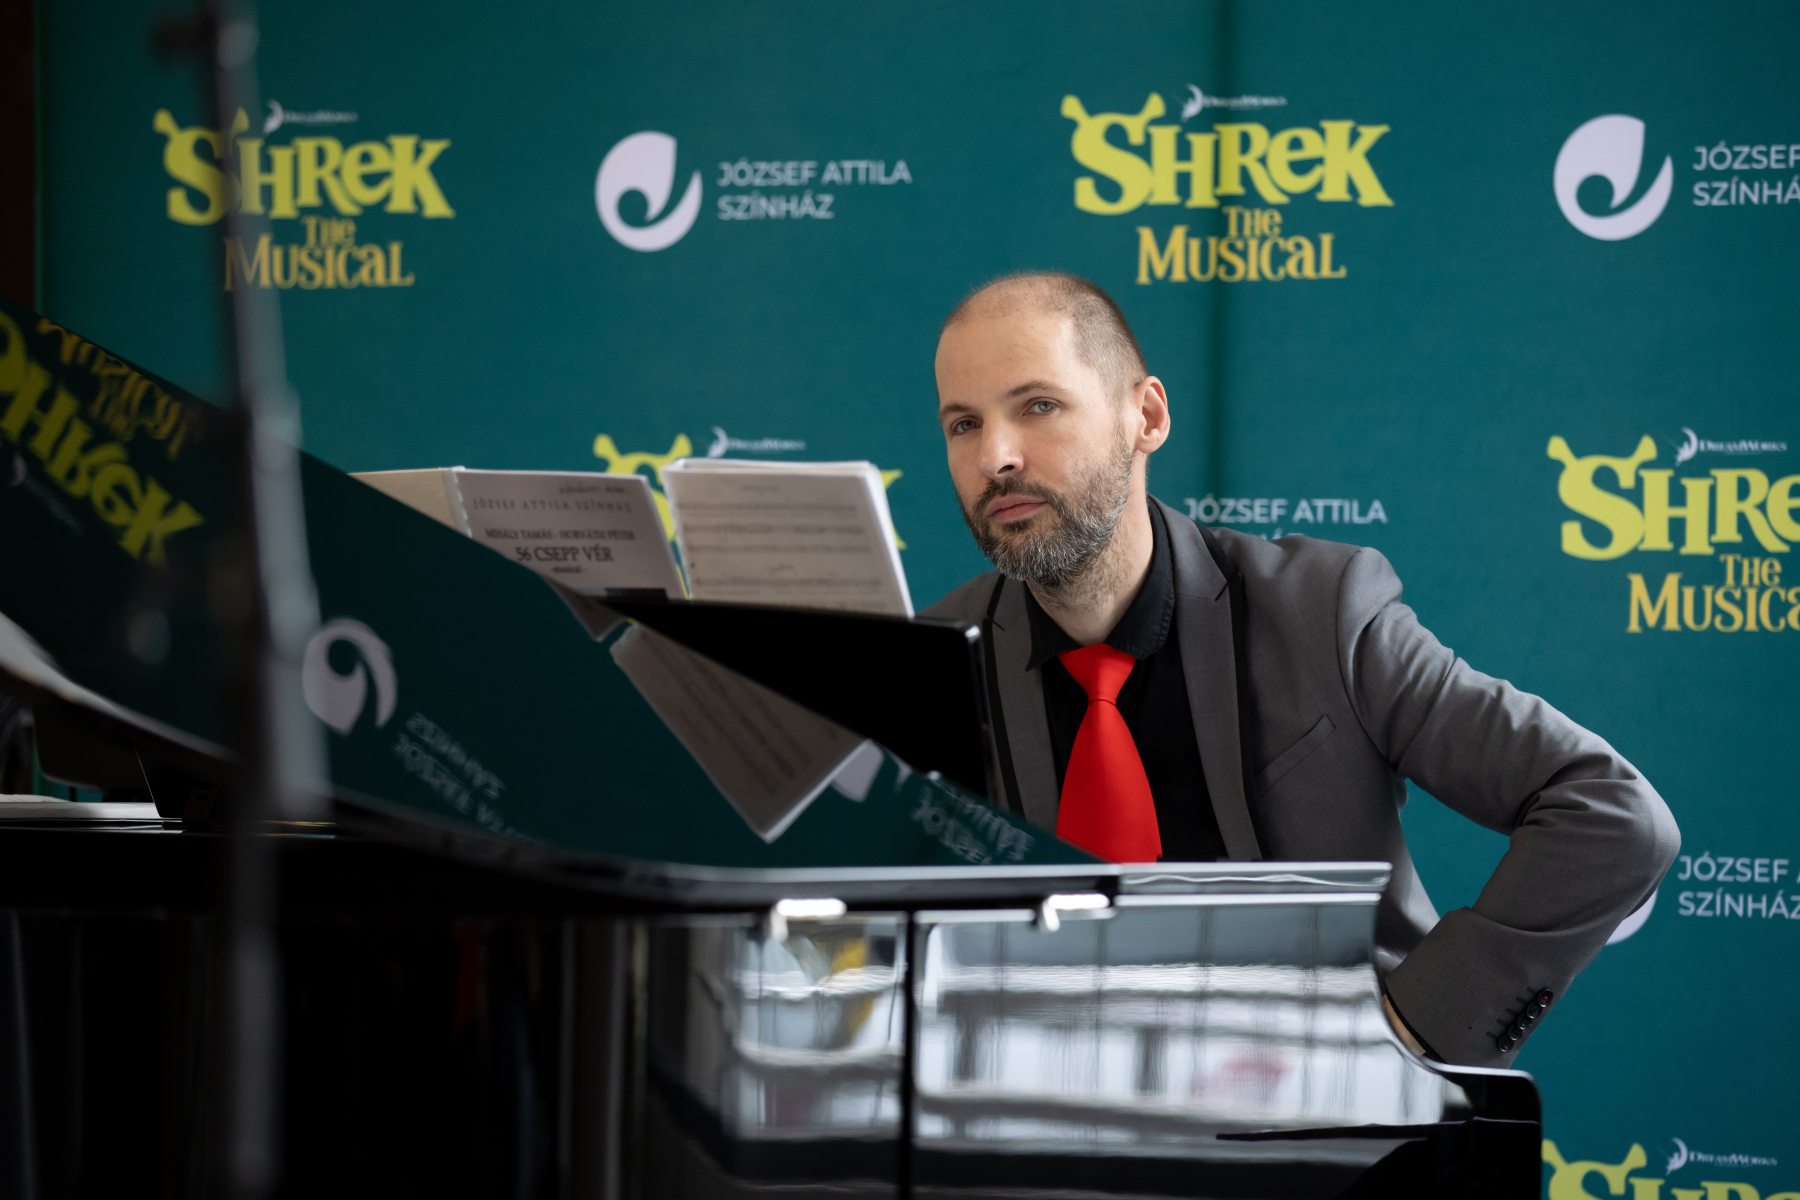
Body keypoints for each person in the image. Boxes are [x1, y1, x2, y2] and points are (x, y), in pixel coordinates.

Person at [922, 271, 1679, 1066]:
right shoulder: (932, 658)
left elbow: (1612, 814)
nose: (995, 456)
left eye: (1038, 406)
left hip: (1326, 1117)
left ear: (1146, 416)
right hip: (1050, 1113)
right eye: (963, 424)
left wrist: (1414, 1035)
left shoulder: (1323, 610)